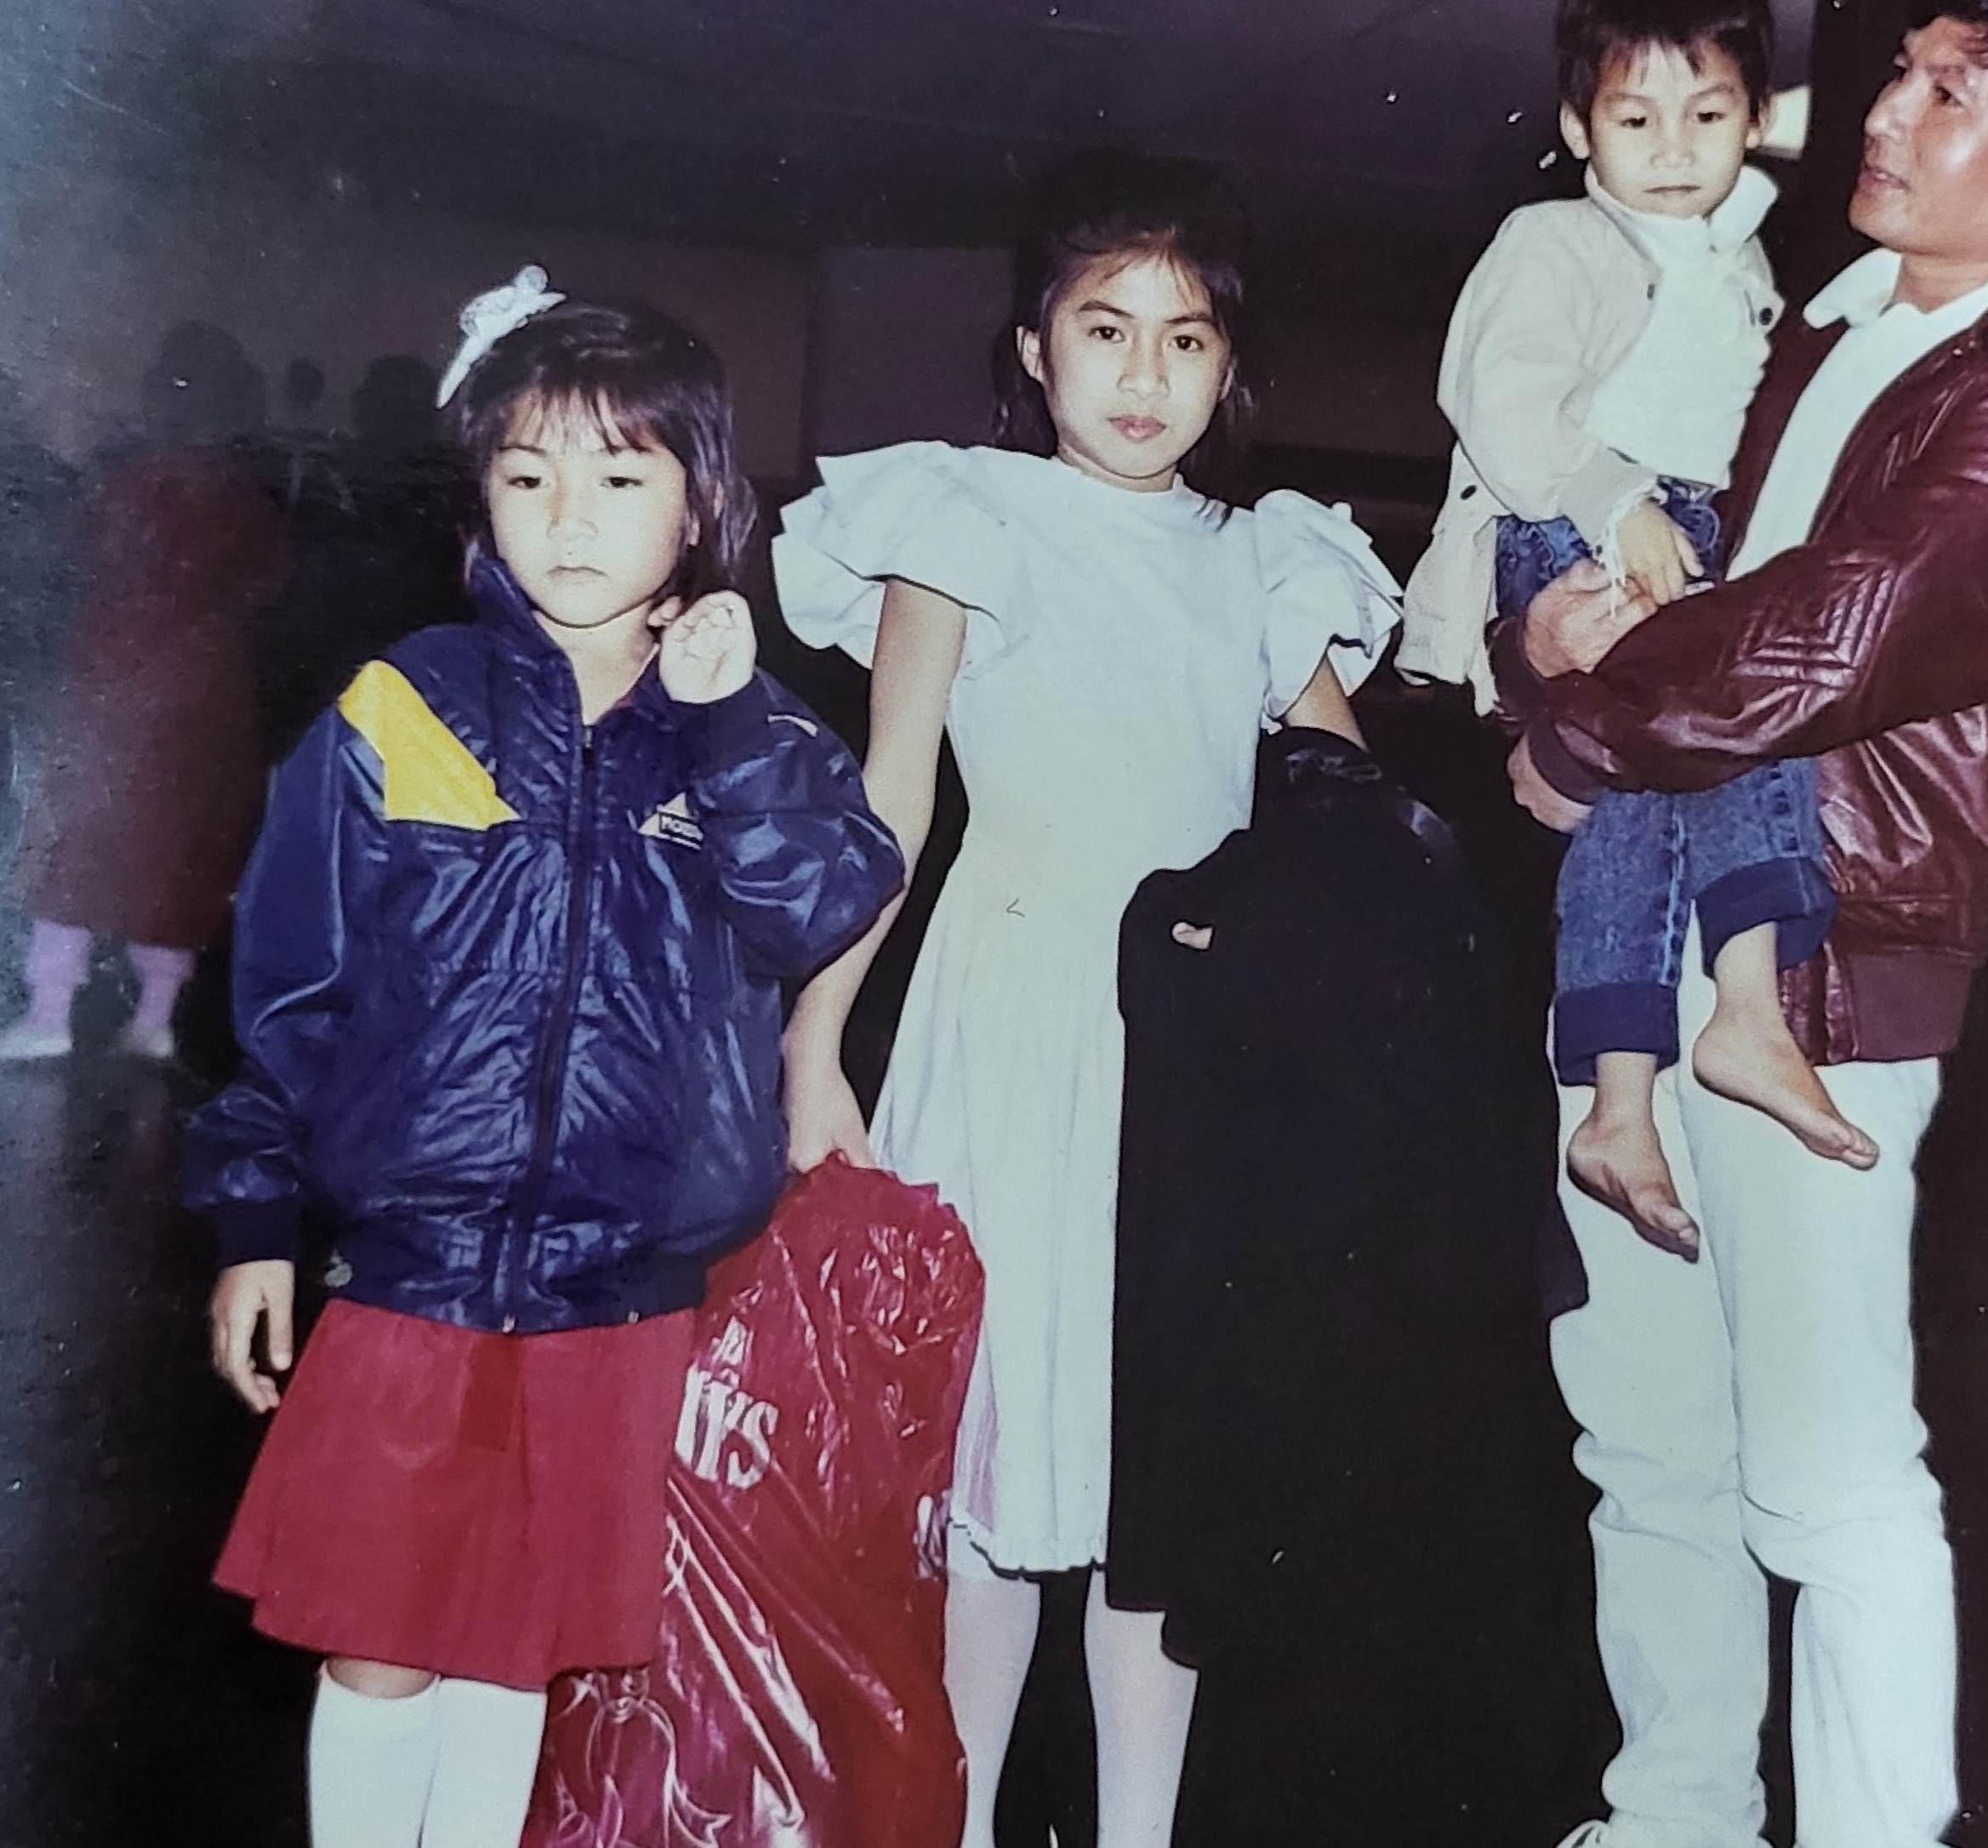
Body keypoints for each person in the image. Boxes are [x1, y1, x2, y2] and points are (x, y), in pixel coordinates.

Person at [1495, 4, 1988, 1844]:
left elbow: (1815, 645)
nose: (1888, 112)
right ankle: (1681, 1816)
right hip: (1649, 937)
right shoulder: (1826, 329)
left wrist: (1575, 705)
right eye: (1899, 72)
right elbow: (1646, 561)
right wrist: (1539, 650)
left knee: (1827, 1476)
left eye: (1952, 97)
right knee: (1647, 1452)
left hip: (1826, 969)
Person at [182, 271, 903, 1848]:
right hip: (410, 1274)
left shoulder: (743, 730)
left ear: (701, 500)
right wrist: (254, 1218)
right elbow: (288, 984)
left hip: (614, 1289)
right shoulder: (400, 708)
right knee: (379, 1636)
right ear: (483, 495)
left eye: (621, 476)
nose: (570, 517)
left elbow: (828, 898)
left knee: (518, 1647)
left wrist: (720, 726)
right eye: (530, 477)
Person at [772, 151, 1398, 1848]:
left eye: (1186, 340)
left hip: (1195, 1059)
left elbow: (1354, 837)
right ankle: (949, 1822)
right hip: (1012, 1019)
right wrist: (818, 1037)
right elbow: (888, 802)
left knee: (1154, 1471)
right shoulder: (962, 519)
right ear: (1034, 348)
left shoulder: (1271, 559)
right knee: (995, 1474)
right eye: (1104, 330)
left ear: (1229, 365)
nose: (1143, 376)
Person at [1405, 0, 1874, 1254]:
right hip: (1571, 515)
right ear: (1576, 129)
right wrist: (1616, 507)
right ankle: (1745, 1012)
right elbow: (1494, 397)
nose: (1672, 146)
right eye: (1633, 117)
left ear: (1754, 123)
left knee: (1640, 800)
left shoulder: (1744, 259)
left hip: (1683, 528)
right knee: (1736, 715)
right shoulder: (1553, 236)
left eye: (1707, 115)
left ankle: (1618, 1101)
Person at [1, 321, 285, 1064]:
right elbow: (265, 580)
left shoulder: (134, 479)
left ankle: (51, 1009)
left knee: (79, 843)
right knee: (179, 852)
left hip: (118, 669)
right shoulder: (241, 496)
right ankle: (156, 1012)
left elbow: (84, 547)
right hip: (207, 680)